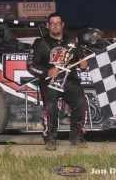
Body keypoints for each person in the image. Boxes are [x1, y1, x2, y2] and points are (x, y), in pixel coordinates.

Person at [27, 12, 88, 151]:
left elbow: (80, 60)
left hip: (70, 81)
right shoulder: (40, 43)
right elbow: (30, 65)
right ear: (48, 26)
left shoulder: (73, 41)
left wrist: (84, 65)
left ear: (63, 25)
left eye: (58, 23)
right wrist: (46, 72)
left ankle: (76, 136)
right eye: (52, 23)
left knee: (81, 102)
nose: (55, 26)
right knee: (51, 106)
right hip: (49, 82)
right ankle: (50, 138)